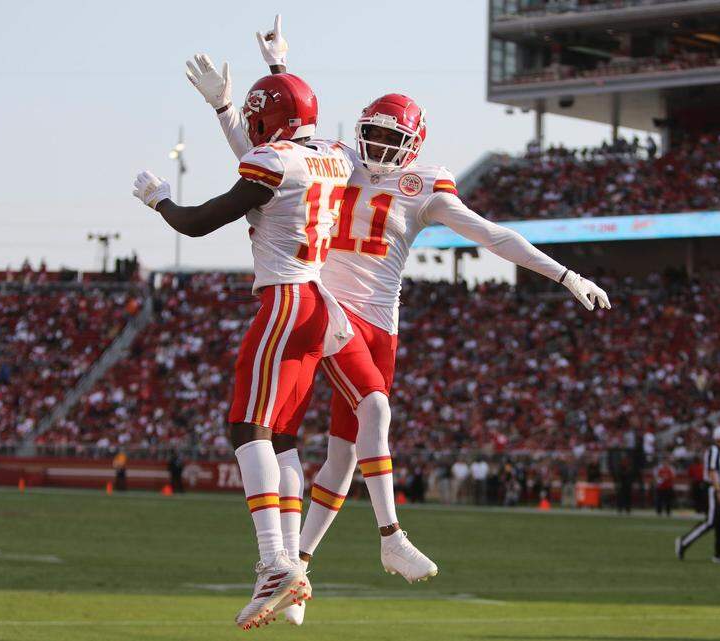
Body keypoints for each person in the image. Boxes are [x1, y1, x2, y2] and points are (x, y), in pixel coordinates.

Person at [186, 15, 610, 617]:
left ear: (414, 144)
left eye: (392, 139)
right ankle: (388, 538)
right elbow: (271, 153)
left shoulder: (426, 184)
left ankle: (298, 570)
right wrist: (270, 77)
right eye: (373, 135)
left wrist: (566, 275)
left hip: (380, 325)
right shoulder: (334, 157)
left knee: (343, 454)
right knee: (371, 410)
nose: (378, 149)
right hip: (328, 311)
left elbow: (494, 237)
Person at [133, 70, 353, 630]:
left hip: (285, 300)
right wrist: (262, 85)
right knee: (281, 440)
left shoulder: (275, 164)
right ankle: (288, 567)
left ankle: (276, 563)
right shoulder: (334, 154)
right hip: (317, 307)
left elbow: (199, 223)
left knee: (246, 427)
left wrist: (160, 200)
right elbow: (280, 144)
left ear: (270, 119)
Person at [675, 425, 720, 563]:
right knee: (711, 522)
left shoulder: (717, 451)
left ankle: (719, 553)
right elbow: (712, 471)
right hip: (714, 488)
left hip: (719, 488)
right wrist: (718, 490)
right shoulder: (714, 450)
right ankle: (684, 542)